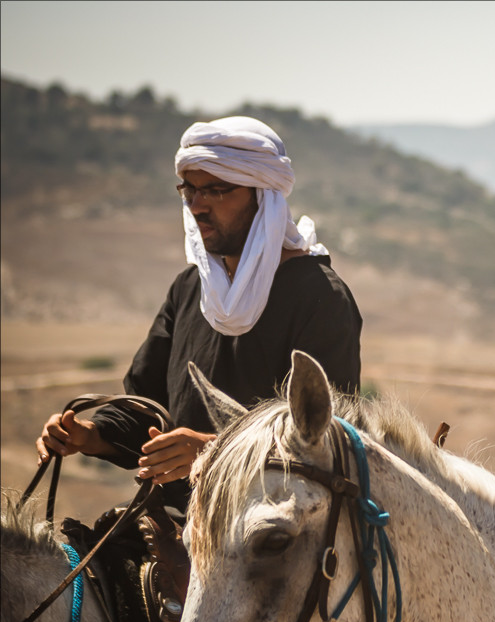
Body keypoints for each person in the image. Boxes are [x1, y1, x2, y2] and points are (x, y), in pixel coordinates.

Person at [35, 115, 362, 513]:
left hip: (270, 538)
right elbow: (145, 404)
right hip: (174, 522)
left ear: (264, 196)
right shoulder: (190, 289)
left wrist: (210, 451)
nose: (196, 207)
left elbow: (323, 441)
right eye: (188, 191)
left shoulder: (321, 297)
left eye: (216, 191)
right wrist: (89, 435)